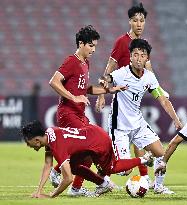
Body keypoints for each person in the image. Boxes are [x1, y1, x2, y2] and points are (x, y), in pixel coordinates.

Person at [48, 25, 126, 196]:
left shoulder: (85, 63)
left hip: (79, 114)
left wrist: (108, 90)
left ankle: (75, 188)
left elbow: (86, 89)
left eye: (95, 46)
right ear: (81, 43)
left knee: (89, 154)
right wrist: (74, 98)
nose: (93, 49)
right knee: (90, 146)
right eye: (91, 45)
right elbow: (54, 81)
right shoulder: (72, 61)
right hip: (68, 113)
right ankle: (58, 171)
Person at [95, 2, 167, 186]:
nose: (139, 24)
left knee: (140, 140)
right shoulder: (121, 42)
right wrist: (102, 94)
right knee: (126, 144)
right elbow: (110, 67)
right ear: (130, 22)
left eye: (142, 21)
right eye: (135, 21)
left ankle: (148, 180)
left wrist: (159, 90)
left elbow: (149, 72)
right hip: (122, 96)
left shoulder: (143, 46)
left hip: (137, 97)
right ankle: (105, 172)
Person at [98, 38, 182, 194]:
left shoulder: (149, 77)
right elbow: (106, 78)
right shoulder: (121, 74)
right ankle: (102, 169)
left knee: (161, 154)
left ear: (147, 58)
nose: (138, 58)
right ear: (130, 56)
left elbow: (163, 99)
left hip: (138, 125)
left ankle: (158, 186)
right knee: (124, 171)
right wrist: (104, 85)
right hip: (120, 128)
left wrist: (176, 120)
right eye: (135, 54)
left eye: (142, 55)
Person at [21, 120, 153, 198]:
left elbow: (68, 179)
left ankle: (143, 159)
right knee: (73, 166)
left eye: (28, 143)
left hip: (98, 141)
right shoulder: (49, 133)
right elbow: (47, 165)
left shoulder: (57, 146)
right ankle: (103, 183)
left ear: (37, 140)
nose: (28, 146)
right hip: (91, 134)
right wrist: (39, 191)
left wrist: (51, 195)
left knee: (111, 168)